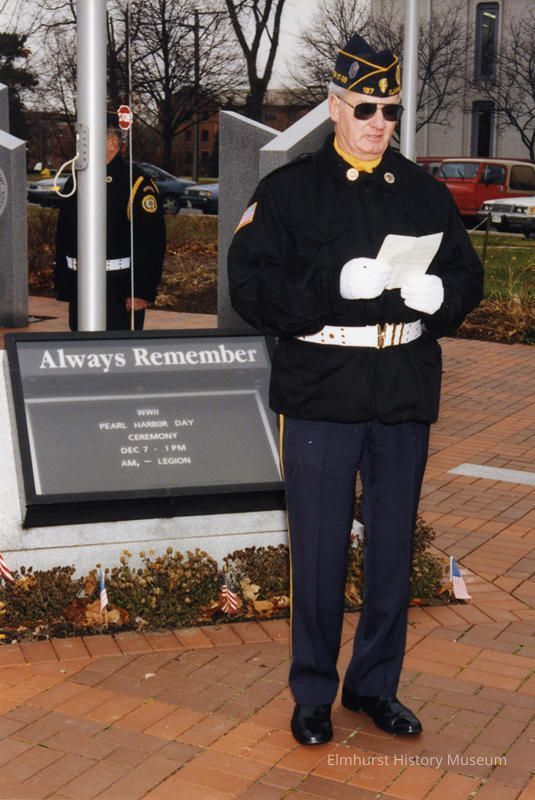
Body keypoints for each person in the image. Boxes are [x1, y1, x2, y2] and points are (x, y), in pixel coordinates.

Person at [228, 33, 483, 745]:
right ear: (334, 107)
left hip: (400, 387)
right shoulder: (289, 191)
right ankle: (312, 691)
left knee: (392, 548)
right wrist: (328, 287)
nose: (379, 122)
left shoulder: (424, 193)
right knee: (317, 550)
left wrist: (443, 296)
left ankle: (374, 685)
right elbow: (249, 286)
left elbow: (466, 275)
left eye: (390, 110)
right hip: (322, 389)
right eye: (365, 108)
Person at [55, 122, 166, 331]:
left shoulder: (135, 182)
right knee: (79, 346)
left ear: (113, 143)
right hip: (81, 284)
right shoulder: (76, 179)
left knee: (117, 347)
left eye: (86, 139)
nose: (81, 146)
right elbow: (64, 234)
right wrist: (64, 282)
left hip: (118, 288)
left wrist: (141, 291)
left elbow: (150, 241)